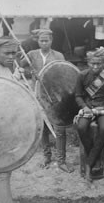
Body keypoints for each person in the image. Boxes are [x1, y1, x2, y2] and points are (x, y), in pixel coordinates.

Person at [19, 28, 70, 172]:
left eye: (46, 40)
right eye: (41, 41)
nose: (44, 43)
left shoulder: (58, 55)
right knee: (44, 129)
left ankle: (61, 160)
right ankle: (47, 157)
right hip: (38, 96)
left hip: (55, 96)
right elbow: (19, 65)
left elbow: (65, 73)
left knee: (59, 128)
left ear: (51, 41)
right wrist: (27, 72)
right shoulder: (31, 55)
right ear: (38, 41)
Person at [75, 47, 104, 183]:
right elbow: (78, 96)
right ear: (88, 63)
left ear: (103, 63)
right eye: (92, 63)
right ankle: (94, 157)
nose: (95, 66)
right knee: (81, 127)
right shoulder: (82, 75)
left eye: (98, 64)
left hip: (103, 110)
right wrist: (85, 107)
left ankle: (89, 164)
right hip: (88, 109)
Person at [0, 36, 22, 203]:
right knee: (4, 172)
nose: (11, 57)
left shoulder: (6, 69)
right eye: (7, 53)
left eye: (14, 53)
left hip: (4, 125)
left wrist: (15, 79)